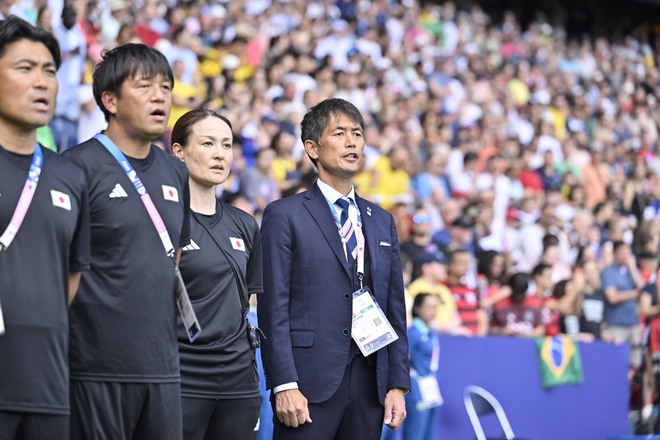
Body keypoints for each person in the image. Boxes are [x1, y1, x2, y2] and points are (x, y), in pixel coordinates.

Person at [258, 98, 410, 439]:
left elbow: (394, 308)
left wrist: (397, 383)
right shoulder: (285, 215)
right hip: (308, 384)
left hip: (369, 383)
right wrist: (284, 383)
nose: (351, 141)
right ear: (312, 148)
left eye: (357, 133)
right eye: (339, 133)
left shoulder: (382, 220)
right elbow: (273, 306)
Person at [64, 43, 190, 439]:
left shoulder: (175, 171)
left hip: (164, 369)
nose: (160, 96)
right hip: (93, 370)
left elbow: (175, 260)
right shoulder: (74, 169)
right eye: (145, 86)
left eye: (166, 87)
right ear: (110, 100)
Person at [0, 16, 89, 440]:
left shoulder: (68, 176)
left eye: (49, 71)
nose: (42, 82)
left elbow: (71, 276)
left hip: (49, 385)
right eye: (24, 68)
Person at [171, 109, 262, 439]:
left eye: (226, 145)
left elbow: (249, 300)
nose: (220, 154)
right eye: (208, 143)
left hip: (239, 380)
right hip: (181, 376)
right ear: (178, 151)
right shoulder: (162, 219)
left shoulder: (245, 223)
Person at [384, 293, 442, 440]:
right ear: (417, 308)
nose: (433, 311)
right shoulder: (413, 333)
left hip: (430, 386)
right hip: (416, 387)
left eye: (435, 307)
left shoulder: (431, 332)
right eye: (429, 307)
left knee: (428, 431)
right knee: (415, 431)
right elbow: (403, 360)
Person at [601, 241, 645, 373]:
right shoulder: (608, 272)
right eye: (622, 252)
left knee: (635, 364)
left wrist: (633, 268)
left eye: (628, 252)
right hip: (616, 324)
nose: (626, 255)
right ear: (615, 253)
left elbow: (643, 289)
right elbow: (612, 297)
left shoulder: (631, 272)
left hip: (633, 323)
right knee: (616, 363)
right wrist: (634, 294)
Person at [489, 273, 545, 338]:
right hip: (506, 343)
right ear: (511, 288)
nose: (518, 297)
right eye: (517, 292)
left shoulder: (535, 303)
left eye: (521, 293)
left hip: (528, 343)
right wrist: (502, 331)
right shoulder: (500, 304)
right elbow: (490, 329)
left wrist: (529, 334)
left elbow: (541, 329)